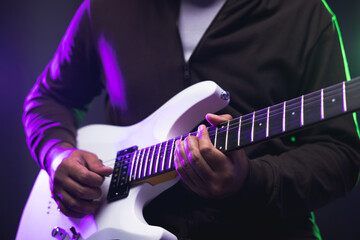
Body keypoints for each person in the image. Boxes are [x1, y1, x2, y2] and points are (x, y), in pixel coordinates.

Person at [23, 0, 360, 239]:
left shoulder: (305, 14)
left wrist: (251, 180)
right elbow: (47, 99)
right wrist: (58, 155)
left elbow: (340, 152)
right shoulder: (107, 7)